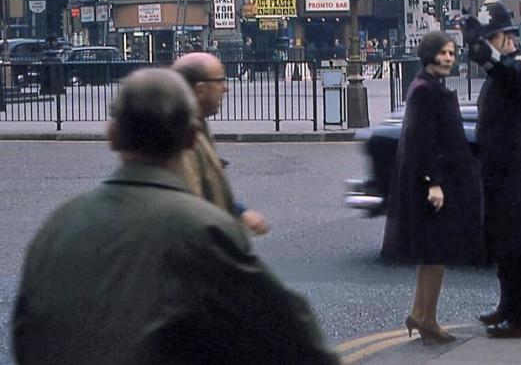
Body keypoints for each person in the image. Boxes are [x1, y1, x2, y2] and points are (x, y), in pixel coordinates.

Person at [12, 69, 338, 365]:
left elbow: (25, 331)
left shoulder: (57, 225)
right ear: (191, 139)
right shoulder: (202, 230)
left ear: (112, 135)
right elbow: (287, 330)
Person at [382, 31, 483, 344]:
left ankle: (421, 314)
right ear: (428, 55)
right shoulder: (425, 90)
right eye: (442, 53)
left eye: (452, 53)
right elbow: (423, 141)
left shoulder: (429, 86)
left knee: (432, 254)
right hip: (431, 183)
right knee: (435, 252)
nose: (448, 58)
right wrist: (433, 183)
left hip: (437, 179)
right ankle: (428, 318)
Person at [465, 0, 521, 339]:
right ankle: (507, 305)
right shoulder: (501, 71)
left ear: (505, 39)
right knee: (504, 245)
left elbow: (502, 71)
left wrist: (478, 48)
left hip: (518, 173)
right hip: (500, 171)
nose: (487, 47)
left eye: (491, 39)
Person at [171, 52, 270, 235]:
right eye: (219, 81)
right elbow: (191, 206)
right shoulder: (182, 138)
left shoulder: (196, 124)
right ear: (200, 90)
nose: (226, 88)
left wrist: (239, 212)